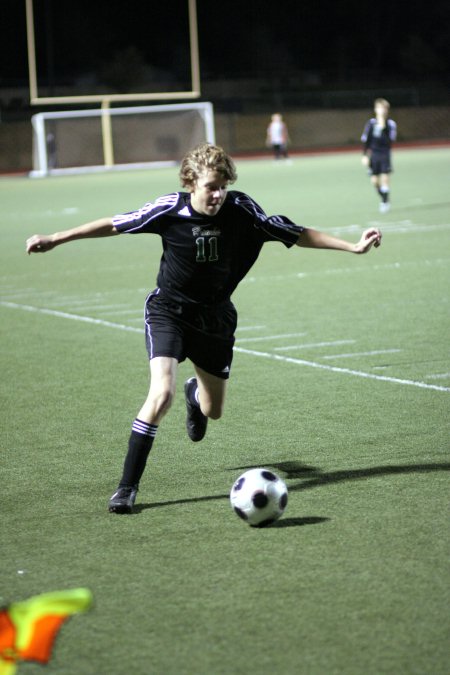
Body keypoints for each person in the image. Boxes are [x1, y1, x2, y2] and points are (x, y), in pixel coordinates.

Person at [26, 142, 382, 515]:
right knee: (160, 394)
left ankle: (195, 394)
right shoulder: (169, 209)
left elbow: (295, 232)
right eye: (210, 186)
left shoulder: (242, 209)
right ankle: (126, 488)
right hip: (169, 312)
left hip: (215, 319)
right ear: (190, 182)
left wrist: (352, 247)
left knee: (213, 411)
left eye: (222, 186)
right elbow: (114, 224)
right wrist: (57, 238)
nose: (217, 194)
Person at [361, 98, 397, 213]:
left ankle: (385, 202)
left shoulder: (391, 124)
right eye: (380, 108)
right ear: (375, 109)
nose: (382, 111)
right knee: (375, 182)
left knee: (385, 179)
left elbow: (389, 140)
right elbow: (366, 141)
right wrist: (365, 155)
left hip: (385, 154)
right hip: (374, 155)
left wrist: (383, 125)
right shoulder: (371, 123)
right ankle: (383, 197)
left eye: (384, 108)